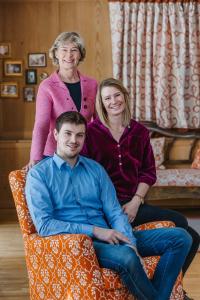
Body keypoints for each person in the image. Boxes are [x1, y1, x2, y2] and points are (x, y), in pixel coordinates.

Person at [25, 111, 191, 300]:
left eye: (79, 135)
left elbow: (114, 211)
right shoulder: (39, 175)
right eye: (68, 133)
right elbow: (45, 225)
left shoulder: (95, 169)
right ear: (56, 135)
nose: (74, 140)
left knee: (181, 237)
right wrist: (96, 231)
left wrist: (131, 244)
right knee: (126, 258)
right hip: (80, 245)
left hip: (112, 236)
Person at [81, 78, 200, 300]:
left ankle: (169, 289)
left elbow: (148, 172)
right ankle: (167, 293)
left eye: (117, 95)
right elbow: (85, 176)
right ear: (101, 103)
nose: (113, 101)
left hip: (133, 203)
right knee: (184, 233)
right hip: (105, 209)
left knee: (190, 233)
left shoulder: (139, 131)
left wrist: (136, 201)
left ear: (125, 97)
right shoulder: (91, 132)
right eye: (107, 98)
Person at [25, 31, 98, 170]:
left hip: (85, 155)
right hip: (53, 155)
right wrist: (35, 158)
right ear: (56, 54)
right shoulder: (47, 86)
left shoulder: (93, 84)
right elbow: (41, 125)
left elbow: (99, 124)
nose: (69, 55)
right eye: (64, 50)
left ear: (80, 54)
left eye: (74, 50)